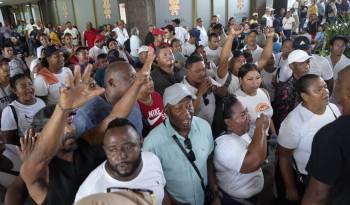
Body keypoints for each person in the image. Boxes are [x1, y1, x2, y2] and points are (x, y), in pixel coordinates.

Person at [19, 67, 107, 205]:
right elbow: (43, 152)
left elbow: (115, 116)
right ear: (39, 135)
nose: (68, 130)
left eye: (69, 122)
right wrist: (62, 108)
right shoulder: (41, 171)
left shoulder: (84, 145)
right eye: (59, 127)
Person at [143, 83, 219, 205]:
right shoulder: (152, 143)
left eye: (189, 105)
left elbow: (209, 161)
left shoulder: (204, 127)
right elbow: (152, 183)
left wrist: (215, 194)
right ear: (166, 111)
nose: (187, 113)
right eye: (178, 108)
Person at [278, 74, 340, 203]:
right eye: (318, 90)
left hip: (335, 175)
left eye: (325, 87)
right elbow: (284, 156)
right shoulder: (293, 122)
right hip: (309, 180)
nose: (325, 92)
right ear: (304, 96)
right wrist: (290, 188)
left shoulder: (333, 109)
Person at [74, 118, 166, 205]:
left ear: (141, 143)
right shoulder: (91, 191)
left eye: (128, 147)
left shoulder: (152, 160)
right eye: (113, 149)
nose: (121, 155)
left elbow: (162, 194)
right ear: (105, 150)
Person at [73, 48, 154, 139]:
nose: (136, 82)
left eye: (136, 77)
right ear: (112, 82)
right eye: (132, 77)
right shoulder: (87, 113)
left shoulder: (133, 101)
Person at [301, 65, 350, 205]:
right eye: (318, 89)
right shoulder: (294, 120)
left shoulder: (331, 136)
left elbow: (317, 196)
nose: (334, 85)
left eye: (339, 81)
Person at [214, 95, 269, 205]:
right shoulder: (224, 144)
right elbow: (255, 162)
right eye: (243, 114)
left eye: (246, 112)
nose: (248, 117)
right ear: (228, 122)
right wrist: (260, 128)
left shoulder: (241, 134)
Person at [1, 74, 45, 144]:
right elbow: (8, 142)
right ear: (14, 90)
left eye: (30, 84)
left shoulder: (41, 102)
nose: (28, 88)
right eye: (23, 86)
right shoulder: (9, 111)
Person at [274, 49, 312, 130]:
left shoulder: (311, 84)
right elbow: (282, 119)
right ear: (291, 66)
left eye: (307, 62)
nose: (306, 66)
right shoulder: (286, 90)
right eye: (302, 63)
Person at [235, 63, 275, 138]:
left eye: (258, 78)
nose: (255, 82)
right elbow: (237, 129)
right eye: (250, 79)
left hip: (266, 138)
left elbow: (268, 116)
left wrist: (273, 134)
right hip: (250, 142)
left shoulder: (264, 92)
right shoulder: (237, 100)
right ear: (241, 80)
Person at [182, 55, 222, 125]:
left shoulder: (207, 79)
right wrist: (200, 92)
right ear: (187, 71)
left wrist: (214, 88)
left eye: (203, 69)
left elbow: (225, 93)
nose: (202, 74)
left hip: (213, 125)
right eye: (197, 71)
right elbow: (189, 113)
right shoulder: (181, 89)